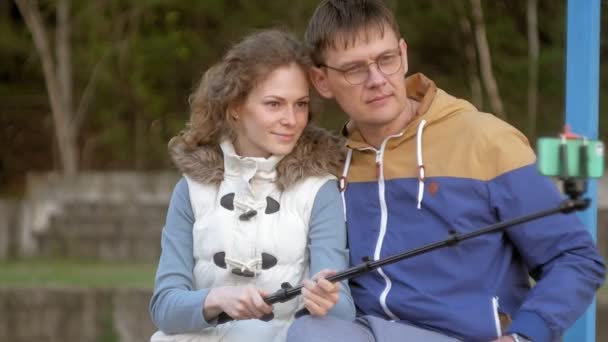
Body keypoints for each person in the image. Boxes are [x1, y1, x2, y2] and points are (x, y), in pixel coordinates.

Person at [287, 1, 606, 342]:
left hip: (470, 336)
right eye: (354, 69)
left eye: (386, 59)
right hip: (369, 332)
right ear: (321, 80)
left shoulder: (486, 141)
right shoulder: (332, 165)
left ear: (404, 54)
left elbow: (574, 257)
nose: (377, 80)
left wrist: (524, 336)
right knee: (309, 331)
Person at [149, 29, 355, 342]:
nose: (292, 119)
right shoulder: (191, 189)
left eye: (300, 104)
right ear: (235, 107)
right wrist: (215, 299)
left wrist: (328, 300)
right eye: (274, 104)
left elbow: (341, 311)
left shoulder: (319, 190)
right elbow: (164, 307)